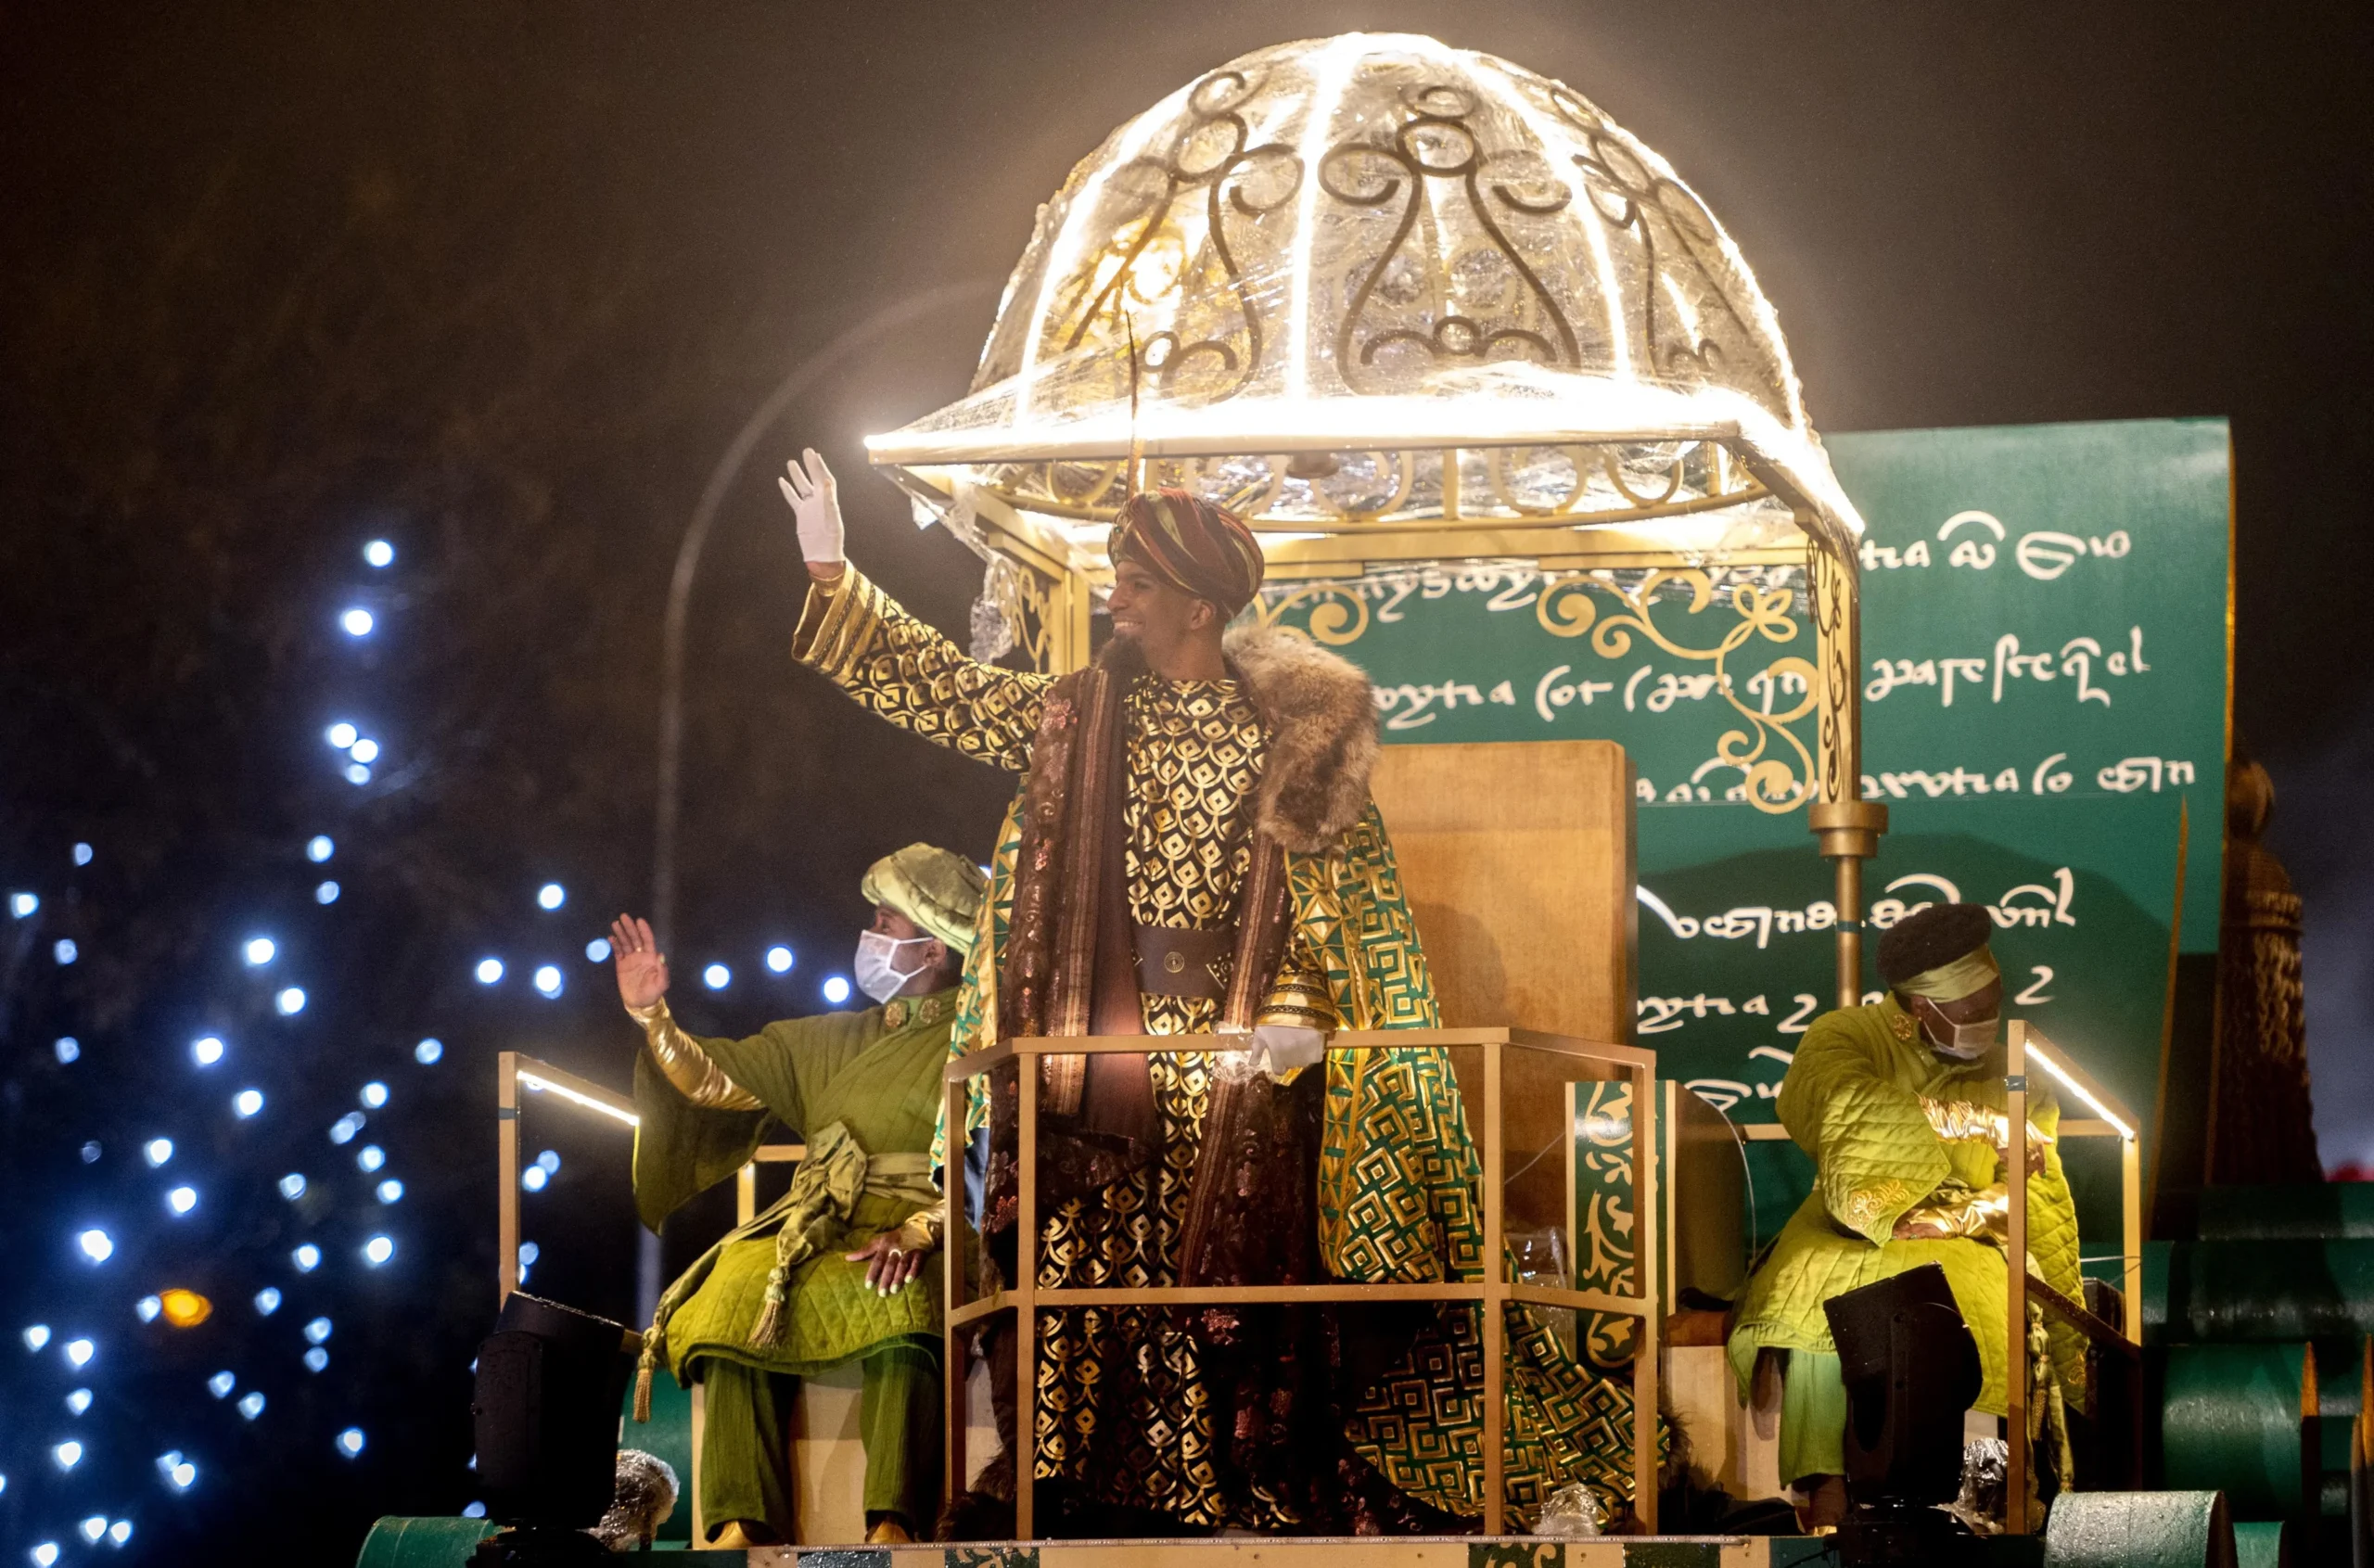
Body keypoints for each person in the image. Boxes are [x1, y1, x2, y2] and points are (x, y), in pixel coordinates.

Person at [775, 449, 1650, 1536]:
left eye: (1135, 581)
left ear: (1198, 600)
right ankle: (1080, 1482)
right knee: (1080, 1260)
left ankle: (1229, 1484)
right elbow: (951, 696)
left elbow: (1337, 906)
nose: (1115, 599)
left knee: (1228, 1277)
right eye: (1114, 575)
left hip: (1241, 1051)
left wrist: (1299, 1009)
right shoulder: (1077, 712)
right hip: (1096, 1047)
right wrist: (833, 579)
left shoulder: (1293, 734)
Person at [619, 843, 988, 1548]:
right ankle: (741, 1519)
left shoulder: (978, 1038)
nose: (870, 936)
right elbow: (715, 1080)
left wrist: (924, 1229)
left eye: (887, 921)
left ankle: (894, 1520)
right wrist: (653, 1016)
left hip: (923, 1222)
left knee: (900, 1294)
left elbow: (992, 1158)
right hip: (817, 1223)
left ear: (936, 949)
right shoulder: (826, 1039)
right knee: (732, 1289)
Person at [1725, 901, 2082, 1530]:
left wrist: (1953, 1217)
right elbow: (1844, 1104)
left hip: (1968, 1239)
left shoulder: (2018, 1069)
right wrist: (1975, 1121)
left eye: (1994, 1001)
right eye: (1971, 1010)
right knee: (1817, 1312)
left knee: (1976, 1306)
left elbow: (2030, 1190)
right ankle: (1827, 1494)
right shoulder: (1844, 1035)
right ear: (1922, 1006)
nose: (1987, 1020)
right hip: (1847, 1227)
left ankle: (1978, 1490)